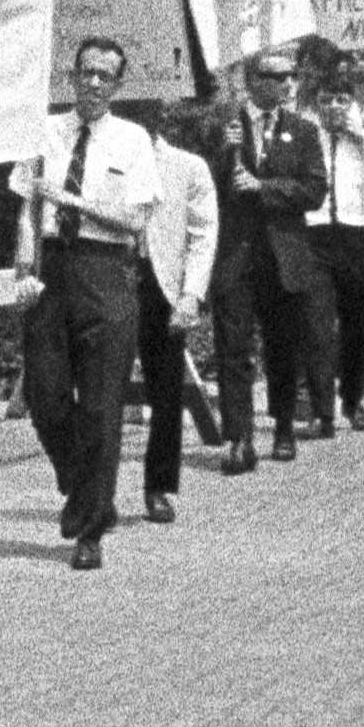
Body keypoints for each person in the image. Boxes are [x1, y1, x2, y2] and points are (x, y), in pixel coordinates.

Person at [10, 36, 170, 567]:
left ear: (119, 85)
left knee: (102, 405)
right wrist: (24, 271)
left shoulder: (133, 140)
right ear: (72, 76)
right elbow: (28, 211)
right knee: (45, 394)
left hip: (107, 273)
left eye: (106, 76)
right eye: (87, 73)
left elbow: (136, 221)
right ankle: (80, 484)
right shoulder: (44, 131)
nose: (95, 83)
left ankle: (92, 530)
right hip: (52, 271)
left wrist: (72, 199)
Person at [219, 50, 334, 450]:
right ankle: (238, 437)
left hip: (283, 255)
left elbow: (315, 190)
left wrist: (264, 188)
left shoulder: (303, 131)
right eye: (276, 76)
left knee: (281, 343)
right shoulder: (227, 125)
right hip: (236, 253)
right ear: (253, 81)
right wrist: (223, 154)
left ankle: (283, 425)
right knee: (233, 346)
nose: (287, 83)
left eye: (291, 76)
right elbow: (207, 186)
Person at [141, 95, 222, 515]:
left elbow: (202, 234)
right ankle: (91, 488)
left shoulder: (188, 167)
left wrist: (190, 295)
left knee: (166, 391)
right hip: (109, 282)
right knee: (98, 389)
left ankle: (158, 485)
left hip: (162, 288)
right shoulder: (101, 157)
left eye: (148, 110)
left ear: (162, 115)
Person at [311, 50, 364, 424]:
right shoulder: (305, 135)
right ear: (316, 104)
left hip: (358, 237)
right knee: (316, 326)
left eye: (342, 100)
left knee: (357, 325)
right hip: (314, 237)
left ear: (355, 103)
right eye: (327, 100)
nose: (334, 107)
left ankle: (352, 397)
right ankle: (321, 407)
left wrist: (360, 135)